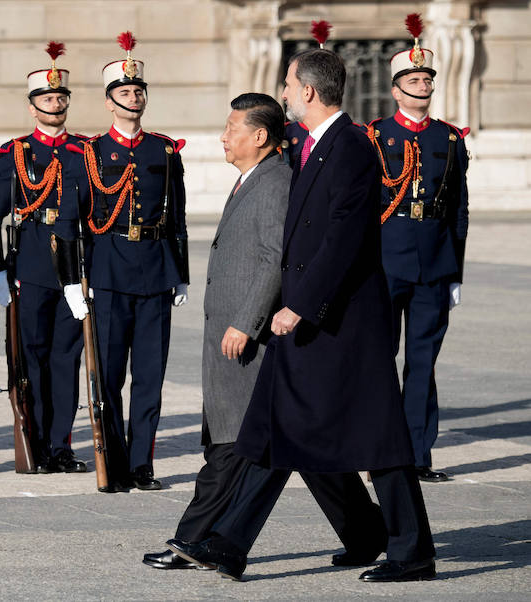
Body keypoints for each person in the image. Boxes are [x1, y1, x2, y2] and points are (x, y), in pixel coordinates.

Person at [169, 49, 436, 583]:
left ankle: (411, 551)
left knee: (377, 435)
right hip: (312, 318)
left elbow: (344, 237)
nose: (285, 93)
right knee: (274, 426)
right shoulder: (313, 147)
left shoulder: (352, 147)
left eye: (288, 85)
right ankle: (231, 544)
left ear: (309, 91)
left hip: (343, 322)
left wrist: (298, 304)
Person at [143, 93, 289, 569]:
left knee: (228, 446)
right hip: (228, 334)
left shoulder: (274, 182)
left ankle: (190, 540)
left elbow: (272, 260)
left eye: (232, 128)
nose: (224, 137)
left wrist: (246, 324)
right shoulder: (253, 178)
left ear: (259, 136)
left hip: (244, 338)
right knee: (303, 459)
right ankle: (365, 529)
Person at [53, 31, 188, 491]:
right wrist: (72, 282)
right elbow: (68, 222)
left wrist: (181, 273)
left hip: (155, 271)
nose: (134, 97)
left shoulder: (163, 150)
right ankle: (112, 460)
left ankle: (141, 464)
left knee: (150, 377)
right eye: (125, 92)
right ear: (110, 101)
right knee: (108, 377)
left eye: (139, 90)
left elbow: (178, 216)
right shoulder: (87, 153)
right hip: (108, 272)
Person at [366, 13, 470, 483]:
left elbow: (458, 211)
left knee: (423, 362)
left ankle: (417, 454)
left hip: (434, 263)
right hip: (386, 261)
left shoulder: (448, 138)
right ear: (396, 88)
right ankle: (379, 449)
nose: (422, 85)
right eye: (413, 78)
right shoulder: (374, 137)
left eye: (426, 78)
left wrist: (456, 274)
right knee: (380, 358)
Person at [0, 42, 87, 474]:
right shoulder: (16, 154)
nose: (55, 105)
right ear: (32, 106)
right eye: (47, 99)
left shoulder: (85, 151)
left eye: (61, 98)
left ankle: (61, 445)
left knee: (67, 358)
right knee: (32, 357)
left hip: (72, 271)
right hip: (32, 267)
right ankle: (34, 441)